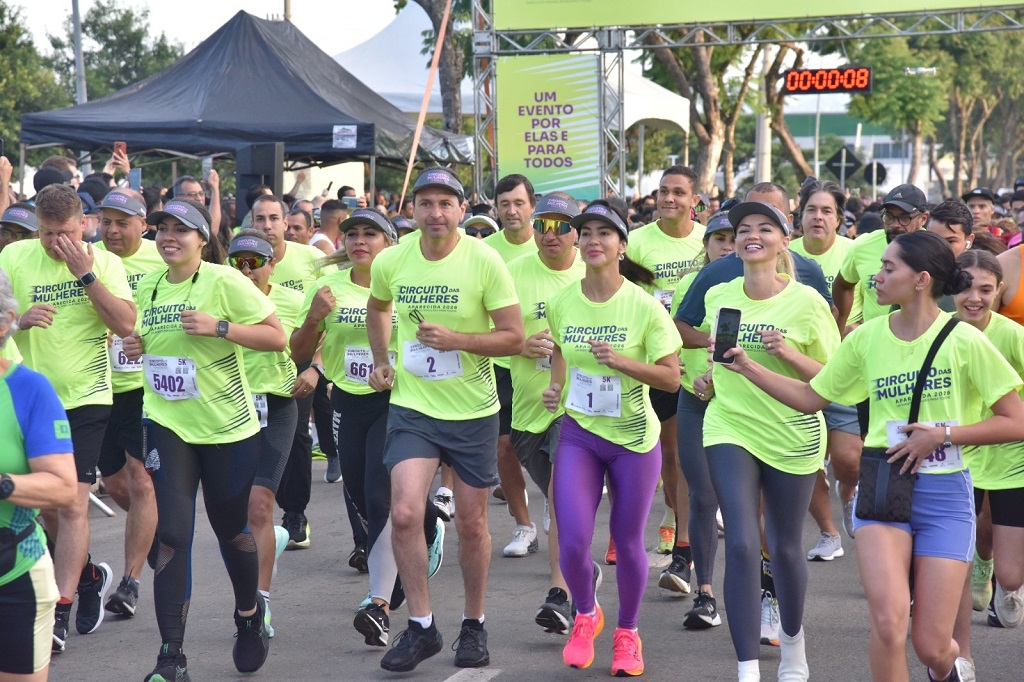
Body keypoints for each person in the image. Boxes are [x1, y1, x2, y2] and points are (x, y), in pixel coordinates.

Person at [725, 229, 1024, 682]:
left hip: (946, 496)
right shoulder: (865, 338)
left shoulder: (965, 341)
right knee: (888, 624)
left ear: (922, 279)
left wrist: (944, 434)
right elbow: (811, 397)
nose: (876, 277)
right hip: (882, 488)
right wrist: (746, 366)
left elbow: (1016, 420)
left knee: (931, 646)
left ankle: (952, 666)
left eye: (888, 269)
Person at [365, 167, 524, 672]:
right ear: (412, 210)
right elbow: (377, 307)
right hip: (413, 407)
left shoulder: (485, 261)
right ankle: (421, 625)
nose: (435, 213)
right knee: (407, 512)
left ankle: (473, 623)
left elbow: (513, 337)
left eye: (445, 203)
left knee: (473, 524)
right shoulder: (392, 259)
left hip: (474, 411)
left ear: (461, 210)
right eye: (426, 203)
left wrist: (458, 341)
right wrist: (382, 359)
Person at [121, 198, 286, 681]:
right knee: (171, 534)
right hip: (166, 423)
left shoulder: (224, 280)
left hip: (227, 430)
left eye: (182, 229)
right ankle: (170, 657)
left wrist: (221, 327)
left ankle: (249, 615)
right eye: (162, 228)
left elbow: (275, 336)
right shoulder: (149, 284)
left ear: (202, 239)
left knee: (231, 530)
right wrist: (138, 344)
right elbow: (150, 342)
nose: (169, 236)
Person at [695, 201, 839, 681]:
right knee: (740, 541)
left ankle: (794, 646)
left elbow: (833, 380)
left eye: (764, 228)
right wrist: (708, 381)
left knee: (783, 547)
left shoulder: (807, 302)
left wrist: (787, 352)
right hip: (729, 424)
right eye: (742, 229)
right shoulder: (719, 294)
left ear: (783, 241)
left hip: (792, 431)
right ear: (733, 243)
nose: (751, 235)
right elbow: (718, 359)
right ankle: (747, 667)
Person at [291, 208, 443, 648]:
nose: (359, 240)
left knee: (380, 499)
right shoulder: (327, 289)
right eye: (351, 233)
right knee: (360, 494)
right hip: (348, 403)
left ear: (389, 243)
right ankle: (427, 523)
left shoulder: (406, 284)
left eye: (370, 233)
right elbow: (298, 351)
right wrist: (314, 318)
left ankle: (378, 605)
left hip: (399, 402)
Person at [542, 200, 680, 677]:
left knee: (626, 541)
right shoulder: (563, 300)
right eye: (586, 233)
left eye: (605, 233)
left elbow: (670, 379)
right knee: (573, 542)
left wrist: (623, 363)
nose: (593, 240)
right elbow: (560, 349)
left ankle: (628, 634)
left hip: (634, 440)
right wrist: (557, 386)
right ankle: (586, 613)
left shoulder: (644, 305)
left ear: (622, 245)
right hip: (580, 432)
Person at [0, 183, 136, 653]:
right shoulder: (14, 257)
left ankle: (56, 612)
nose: (56, 243)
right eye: (46, 234)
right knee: (46, 508)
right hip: (27, 397)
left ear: (85, 225)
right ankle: (90, 573)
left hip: (86, 397)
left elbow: (125, 324)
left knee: (73, 503)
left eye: (65, 234)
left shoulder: (105, 263)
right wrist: (17, 322)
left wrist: (86, 275)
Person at [506, 193, 586, 635]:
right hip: (527, 408)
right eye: (542, 225)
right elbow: (488, 335)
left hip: (576, 408)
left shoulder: (592, 275)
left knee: (558, 495)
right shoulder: (512, 274)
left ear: (578, 231)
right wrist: (519, 344)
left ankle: (559, 593)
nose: (549, 234)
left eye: (561, 225)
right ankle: (579, 570)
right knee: (560, 501)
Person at [625, 165, 704, 585]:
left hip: (694, 365)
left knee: (684, 457)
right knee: (668, 457)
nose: (668, 198)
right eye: (662, 192)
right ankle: (677, 518)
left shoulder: (708, 242)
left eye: (678, 192)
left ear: (695, 199)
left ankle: (685, 539)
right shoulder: (636, 242)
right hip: (650, 364)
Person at [0, 268, 77, 682]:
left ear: (6, 322)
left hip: (13, 575)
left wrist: (3, 485)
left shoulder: (29, 389)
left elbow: (64, 487)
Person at [228, 230, 303, 639]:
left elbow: (320, 334)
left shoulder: (290, 299)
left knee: (259, 505)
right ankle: (268, 538)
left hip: (275, 407)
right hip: (228, 407)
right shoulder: (218, 295)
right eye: (237, 260)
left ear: (272, 265)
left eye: (255, 262)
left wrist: (315, 368)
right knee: (237, 510)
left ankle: (260, 603)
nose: (245, 269)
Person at [94, 190, 164, 620]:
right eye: (106, 222)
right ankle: (151, 530)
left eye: (123, 222)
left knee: (142, 482)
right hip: (98, 388)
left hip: (145, 387)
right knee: (117, 485)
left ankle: (130, 582)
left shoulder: (164, 257)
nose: (113, 230)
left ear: (143, 224)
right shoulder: (89, 258)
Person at [250, 194, 331, 550]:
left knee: (296, 435)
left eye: (273, 219)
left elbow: (334, 319)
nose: (267, 226)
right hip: (248, 370)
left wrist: (316, 366)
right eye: (260, 219)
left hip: (297, 362)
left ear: (287, 223)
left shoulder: (312, 259)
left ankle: (295, 513)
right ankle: (254, 514)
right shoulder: (236, 261)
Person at [951, 250, 1024, 633]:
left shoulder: (1013, 336)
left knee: (1012, 576)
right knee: (957, 563)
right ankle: (980, 564)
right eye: (964, 287)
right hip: (957, 455)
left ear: (998, 292)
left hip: (1013, 455)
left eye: (985, 289)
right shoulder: (939, 332)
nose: (974, 297)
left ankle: (1004, 582)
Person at [669, 211, 735, 629]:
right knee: (703, 493)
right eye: (721, 239)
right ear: (705, 244)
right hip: (695, 396)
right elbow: (675, 331)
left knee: (748, 504)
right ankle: (705, 593)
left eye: (735, 238)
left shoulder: (763, 290)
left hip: (743, 403)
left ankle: (765, 590)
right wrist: (709, 346)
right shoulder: (691, 285)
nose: (728, 246)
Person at [790, 180, 861, 554]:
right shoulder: (782, 253)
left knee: (848, 460)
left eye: (827, 211)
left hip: (848, 370)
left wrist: (852, 328)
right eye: (811, 210)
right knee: (808, 461)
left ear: (839, 219)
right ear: (799, 216)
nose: (818, 217)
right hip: (799, 370)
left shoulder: (856, 253)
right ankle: (829, 532)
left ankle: (849, 491)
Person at [485, 174, 541, 560]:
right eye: (504, 204)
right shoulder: (485, 251)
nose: (511, 210)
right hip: (501, 363)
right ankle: (524, 524)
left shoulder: (554, 242)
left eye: (519, 203)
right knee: (504, 446)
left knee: (557, 446)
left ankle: (560, 506)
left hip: (550, 362)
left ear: (532, 206)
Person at [834, 184, 930, 333]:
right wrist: (840, 328)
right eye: (889, 217)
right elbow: (842, 285)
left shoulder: (936, 250)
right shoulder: (862, 246)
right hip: (874, 343)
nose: (895, 225)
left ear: (923, 219)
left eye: (904, 218)